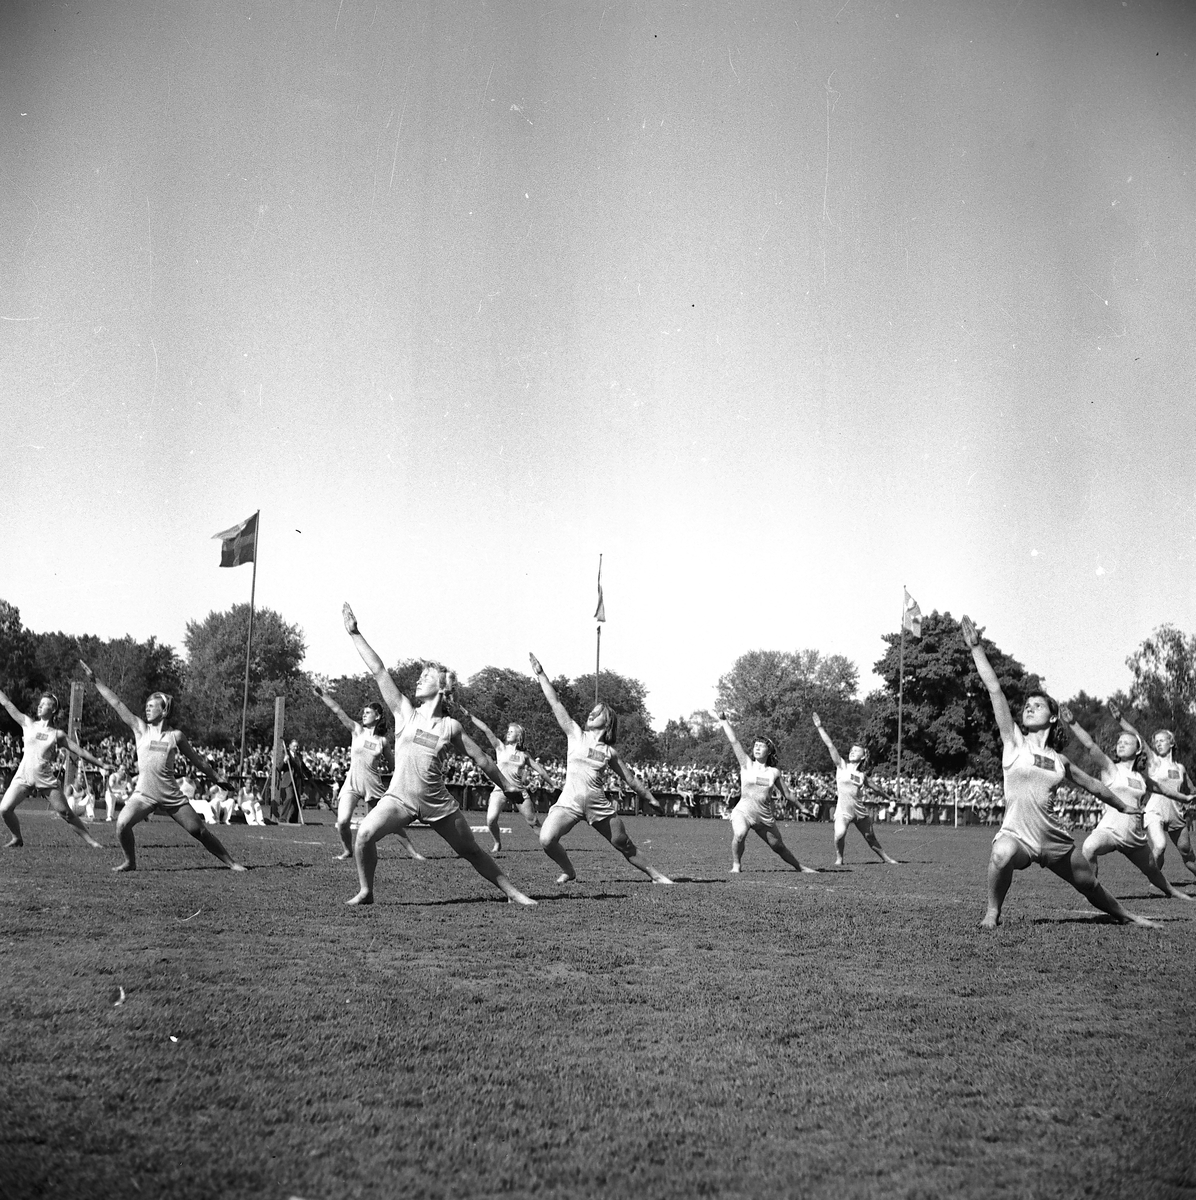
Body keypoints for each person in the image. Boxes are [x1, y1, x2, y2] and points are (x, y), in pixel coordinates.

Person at [960, 617, 1152, 928]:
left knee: (1089, 884)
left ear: (1052, 718)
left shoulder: (1060, 761)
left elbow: (1094, 786)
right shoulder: (1014, 741)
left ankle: (1128, 916)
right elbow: (995, 690)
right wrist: (976, 648)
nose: (1029, 708)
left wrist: (1124, 806)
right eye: (1027, 705)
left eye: (1038, 705)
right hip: (1017, 835)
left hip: (1052, 838)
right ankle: (992, 912)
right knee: (1001, 854)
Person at [341, 603, 535, 907]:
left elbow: (482, 760)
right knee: (364, 834)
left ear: (442, 688)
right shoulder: (404, 711)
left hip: (436, 802)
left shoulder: (451, 726)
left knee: (471, 850)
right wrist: (355, 634)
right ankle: (366, 892)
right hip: (399, 799)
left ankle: (513, 893)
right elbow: (379, 670)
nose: (418, 680)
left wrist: (507, 785)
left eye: (426, 676)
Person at [79, 661, 246, 873]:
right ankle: (130, 862)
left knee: (199, 831)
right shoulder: (140, 729)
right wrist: (96, 681)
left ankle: (231, 863)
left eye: (152, 706)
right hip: (144, 794)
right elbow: (117, 704)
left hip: (170, 794)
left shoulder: (176, 736)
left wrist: (216, 778)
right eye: (146, 706)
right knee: (121, 824)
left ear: (164, 710)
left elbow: (198, 761)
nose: (147, 709)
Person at [528, 652, 672, 885]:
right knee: (546, 839)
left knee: (623, 844)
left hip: (598, 805)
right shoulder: (575, 734)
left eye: (597, 712)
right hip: (570, 802)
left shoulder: (609, 752)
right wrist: (541, 674)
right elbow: (555, 703)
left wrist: (650, 798)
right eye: (591, 711)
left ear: (608, 721)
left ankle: (656, 876)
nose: (591, 713)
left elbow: (630, 780)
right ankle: (569, 871)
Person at [1059, 705, 1194, 904]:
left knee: (1153, 872)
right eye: (1119, 742)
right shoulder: (1110, 768)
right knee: (1089, 847)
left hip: (1134, 837)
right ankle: (1092, 891)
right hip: (1109, 831)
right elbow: (1090, 746)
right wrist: (1073, 723)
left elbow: (1165, 790)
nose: (1121, 745)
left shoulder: (1142, 778)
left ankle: (1174, 892)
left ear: (1138, 749)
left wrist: (1186, 799)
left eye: (1126, 742)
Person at [312, 684, 423, 862]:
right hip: (352, 784)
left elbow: (393, 765)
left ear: (377, 716)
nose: (364, 715)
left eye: (368, 712)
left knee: (390, 822)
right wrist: (322, 695)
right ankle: (347, 851)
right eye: (363, 713)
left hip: (373, 786)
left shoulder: (383, 741)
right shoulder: (357, 730)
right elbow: (338, 711)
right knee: (342, 822)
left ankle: (413, 853)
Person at [0, 686, 106, 850]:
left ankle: (92, 842)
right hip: (23, 776)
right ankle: (17, 838)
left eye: (45, 704)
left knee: (66, 813)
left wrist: (103, 764)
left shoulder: (57, 734)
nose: (40, 706)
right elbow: (7, 703)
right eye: (40, 703)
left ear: (53, 709)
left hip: (44, 778)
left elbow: (80, 752)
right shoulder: (28, 723)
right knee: (5, 809)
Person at [713, 713, 818, 875]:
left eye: (761, 746)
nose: (757, 748)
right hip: (743, 811)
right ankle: (736, 865)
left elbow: (787, 794)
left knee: (778, 846)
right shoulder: (746, 764)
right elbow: (734, 741)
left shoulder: (774, 772)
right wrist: (723, 721)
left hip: (763, 816)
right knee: (740, 834)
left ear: (769, 751)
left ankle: (800, 867)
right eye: (755, 745)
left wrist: (802, 808)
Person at [1108, 704, 1196, 882]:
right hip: (1155, 812)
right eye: (1156, 742)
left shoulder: (1180, 768)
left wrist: (1191, 802)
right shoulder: (1154, 761)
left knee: (1187, 853)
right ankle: (1156, 882)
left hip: (1176, 815)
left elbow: (1191, 790)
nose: (1158, 744)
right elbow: (1138, 737)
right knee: (1160, 846)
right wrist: (1120, 719)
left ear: (1172, 743)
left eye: (1162, 740)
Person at [454, 702, 553, 852]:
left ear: (519, 736)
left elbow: (540, 770)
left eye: (511, 732)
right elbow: (486, 730)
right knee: (491, 820)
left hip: (518, 791)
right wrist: (469, 716)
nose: (508, 733)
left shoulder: (524, 755)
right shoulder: (500, 747)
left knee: (533, 821)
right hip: (500, 789)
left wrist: (552, 784)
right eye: (508, 731)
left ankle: (550, 844)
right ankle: (497, 843)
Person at [811, 714, 899, 866]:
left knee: (870, 837)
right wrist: (819, 727)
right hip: (843, 811)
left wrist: (888, 797)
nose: (852, 752)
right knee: (839, 834)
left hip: (858, 810)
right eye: (852, 750)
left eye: (856, 751)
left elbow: (875, 788)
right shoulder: (842, 766)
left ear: (863, 756)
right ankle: (839, 859)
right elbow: (830, 745)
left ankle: (886, 859)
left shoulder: (862, 775)